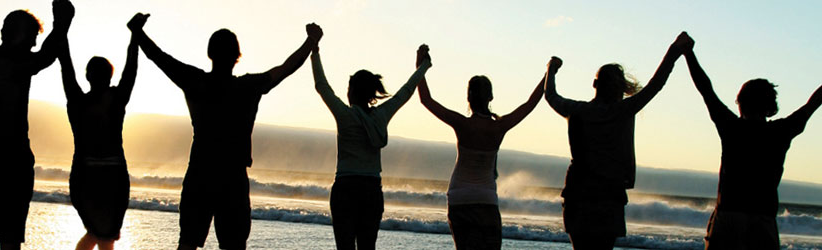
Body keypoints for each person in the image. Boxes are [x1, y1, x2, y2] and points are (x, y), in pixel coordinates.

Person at [127, 13, 321, 250]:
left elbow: (159, 58)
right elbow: (286, 68)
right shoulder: (248, 87)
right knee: (233, 244)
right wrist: (311, 41)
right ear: (237, 57)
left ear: (210, 54)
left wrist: (137, 31)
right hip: (232, 177)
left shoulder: (195, 81)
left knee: (187, 243)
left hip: (200, 172)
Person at [544, 32, 692, 249]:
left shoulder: (577, 111)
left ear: (595, 84)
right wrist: (674, 51)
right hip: (608, 195)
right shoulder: (624, 110)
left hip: (579, 193)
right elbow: (656, 84)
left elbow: (551, 95)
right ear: (620, 88)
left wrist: (551, 69)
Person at [681, 35, 822, 250]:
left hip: (728, 218)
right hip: (762, 221)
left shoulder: (731, 127)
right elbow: (813, 102)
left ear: (740, 103)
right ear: (770, 106)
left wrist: (688, 52)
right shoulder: (781, 131)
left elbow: (705, 88)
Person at [0, 0, 73, 249]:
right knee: (8, 223)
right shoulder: (21, 63)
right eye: (32, 36)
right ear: (19, 33)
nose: (34, 42)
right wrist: (62, 19)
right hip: (12, 147)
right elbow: (49, 51)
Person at [311, 39, 432, 249]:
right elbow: (406, 92)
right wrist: (422, 66)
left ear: (351, 92)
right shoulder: (381, 116)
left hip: (346, 188)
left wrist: (315, 51)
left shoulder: (345, 115)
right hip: (371, 190)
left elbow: (322, 86)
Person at [417, 64, 545, 248]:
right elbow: (530, 104)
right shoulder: (499, 127)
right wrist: (548, 74)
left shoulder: (461, 123)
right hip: (486, 199)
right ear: (491, 97)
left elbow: (426, 100)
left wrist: (421, 66)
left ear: (468, 97)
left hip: (459, 197)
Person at [57, 9, 139, 250]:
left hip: (89, 173)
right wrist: (135, 36)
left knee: (100, 233)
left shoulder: (79, 100)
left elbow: (65, 64)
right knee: (103, 234)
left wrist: (62, 26)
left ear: (88, 76)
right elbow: (131, 70)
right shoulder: (114, 99)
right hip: (105, 174)